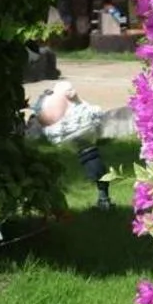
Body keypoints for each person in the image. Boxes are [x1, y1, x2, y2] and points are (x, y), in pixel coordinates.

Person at [28, 81, 113, 209]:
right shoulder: (59, 108)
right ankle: (103, 197)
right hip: (79, 142)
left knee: (96, 168)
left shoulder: (80, 107)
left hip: (83, 143)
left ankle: (103, 198)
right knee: (95, 166)